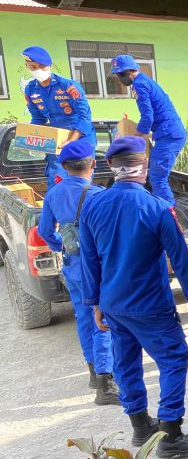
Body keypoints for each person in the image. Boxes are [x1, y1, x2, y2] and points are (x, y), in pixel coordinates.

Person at [80, 136, 188, 458]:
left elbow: (89, 258)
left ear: (111, 167)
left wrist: (95, 303)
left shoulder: (92, 205)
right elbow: (181, 259)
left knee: (126, 363)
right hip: (151, 305)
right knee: (174, 358)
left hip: (114, 305)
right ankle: (170, 434)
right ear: (145, 168)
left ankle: (140, 426)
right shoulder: (157, 208)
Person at [37, 140, 119, 406]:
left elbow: (45, 231)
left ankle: (95, 373)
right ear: (93, 164)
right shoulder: (97, 194)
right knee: (103, 318)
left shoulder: (53, 194)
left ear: (63, 166)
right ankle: (106, 385)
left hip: (72, 266)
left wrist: (61, 245)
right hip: (96, 268)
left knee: (84, 318)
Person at [111, 54, 186, 208]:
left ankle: (168, 212)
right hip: (169, 133)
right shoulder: (144, 80)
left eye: (119, 75)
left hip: (169, 135)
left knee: (157, 177)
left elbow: (147, 117)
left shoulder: (139, 85)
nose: (119, 79)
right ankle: (162, 209)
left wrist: (135, 137)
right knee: (157, 174)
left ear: (128, 72)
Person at [22, 46, 95, 191]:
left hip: (80, 138)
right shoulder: (31, 90)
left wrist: (71, 140)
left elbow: (85, 116)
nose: (39, 70)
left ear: (50, 66)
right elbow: (37, 118)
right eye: (33, 67)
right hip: (57, 141)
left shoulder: (68, 86)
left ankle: (81, 212)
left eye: (42, 66)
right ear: (27, 67)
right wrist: (32, 137)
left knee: (80, 185)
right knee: (57, 181)